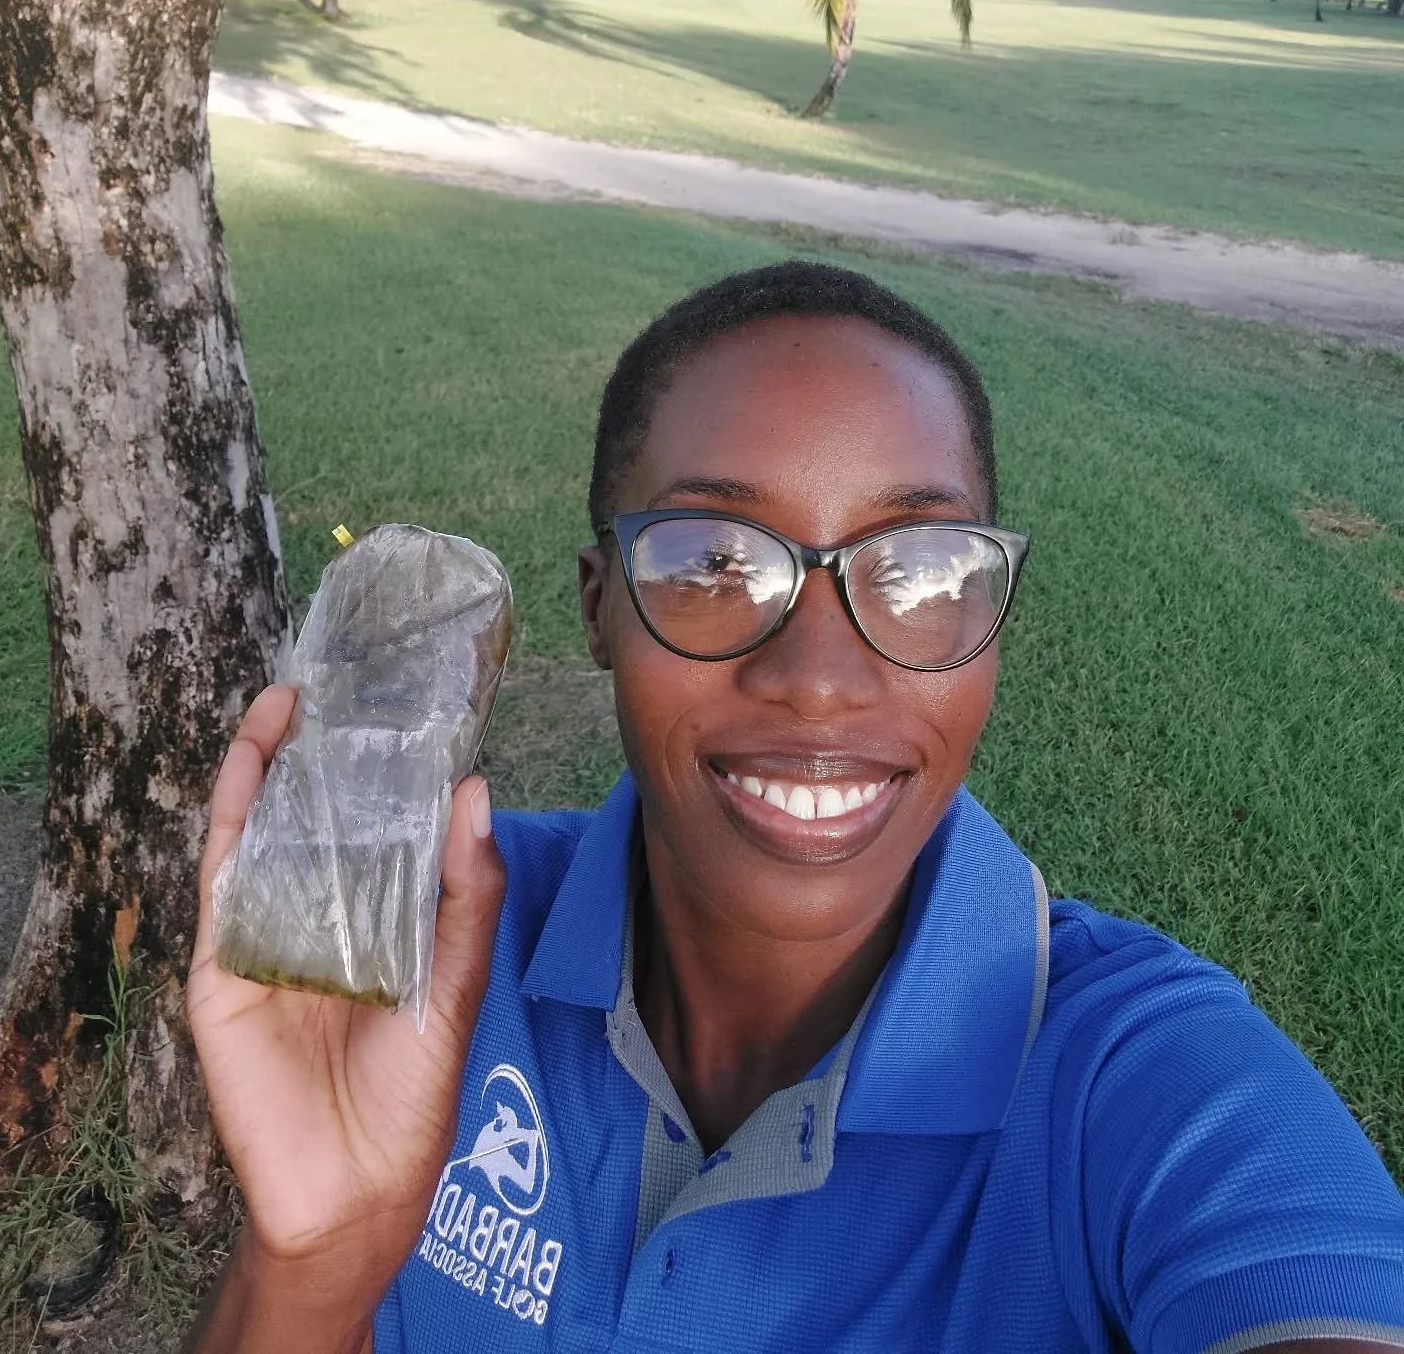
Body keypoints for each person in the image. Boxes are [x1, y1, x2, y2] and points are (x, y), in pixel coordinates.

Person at [184, 263, 1404, 1354]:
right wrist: (318, 1253)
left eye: (921, 570)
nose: (818, 678)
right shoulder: (429, 953)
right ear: (600, 606)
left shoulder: (1140, 1083)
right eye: (713, 561)